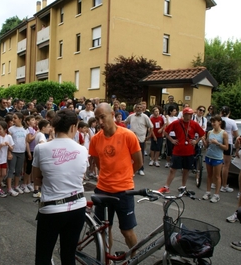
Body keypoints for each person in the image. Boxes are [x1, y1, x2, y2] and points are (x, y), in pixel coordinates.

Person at [33, 109, 88, 265]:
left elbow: (36, 178)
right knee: (69, 255)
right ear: (73, 127)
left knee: (43, 256)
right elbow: (82, 176)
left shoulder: (41, 148)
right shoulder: (82, 150)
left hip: (52, 208)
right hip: (77, 206)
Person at [89, 103, 142, 253]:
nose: (100, 122)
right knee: (104, 229)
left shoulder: (128, 135)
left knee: (127, 231)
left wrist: (125, 175)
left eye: (103, 117)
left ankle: (135, 257)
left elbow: (138, 162)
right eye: (97, 118)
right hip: (102, 190)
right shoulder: (95, 139)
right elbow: (98, 163)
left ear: (112, 115)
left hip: (124, 191)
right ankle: (107, 260)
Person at [158, 108, 205, 194]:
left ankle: (183, 186)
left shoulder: (194, 124)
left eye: (190, 115)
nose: (189, 117)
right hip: (178, 150)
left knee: (186, 169)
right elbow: (166, 132)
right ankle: (166, 186)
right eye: (187, 115)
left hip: (189, 150)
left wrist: (196, 141)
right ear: (183, 115)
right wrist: (172, 140)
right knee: (173, 169)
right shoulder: (177, 123)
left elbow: (202, 134)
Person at [201, 115, 228, 203]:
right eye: (212, 122)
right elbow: (206, 146)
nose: (213, 124)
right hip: (209, 156)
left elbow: (226, 147)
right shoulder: (209, 132)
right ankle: (208, 192)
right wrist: (204, 140)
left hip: (218, 157)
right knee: (209, 175)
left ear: (219, 122)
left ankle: (216, 195)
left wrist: (217, 143)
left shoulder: (223, 133)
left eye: (214, 122)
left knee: (217, 176)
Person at [125, 103, 153, 176]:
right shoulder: (131, 116)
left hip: (141, 139)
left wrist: (149, 135)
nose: (139, 109)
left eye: (140, 107)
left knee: (140, 155)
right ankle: (132, 169)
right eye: (138, 107)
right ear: (135, 108)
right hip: (131, 139)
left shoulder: (145, 117)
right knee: (131, 155)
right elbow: (125, 122)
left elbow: (151, 126)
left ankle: (140, 169)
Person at [7, 112, 29, 195]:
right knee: (11, 170)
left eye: (15, 118)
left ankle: (16, 186)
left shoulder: (25, 130)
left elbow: (26, 141)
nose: (13, 120)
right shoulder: (11, 129)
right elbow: (8, 141)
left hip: (21, 152)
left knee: (19, 170)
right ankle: (9, 188)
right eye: (13, 118)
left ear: (20, 119)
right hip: (13, 152)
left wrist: (28, 153)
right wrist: (9, 152)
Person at [220, 106, 238, 193]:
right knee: (226, 165)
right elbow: (236, 134)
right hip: (228, 143)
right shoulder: (232, 122)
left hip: (218, 141)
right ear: (229, 113)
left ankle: (214, 183)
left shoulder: (217, 119)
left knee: (218, 163)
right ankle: (224, 185)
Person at [0, 121, 13, 198]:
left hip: (4, 158)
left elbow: (12, 147)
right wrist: (1, 145)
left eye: (0, 129)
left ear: (5, 129)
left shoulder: (9, 137)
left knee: (3, 174)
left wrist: (9, 147)